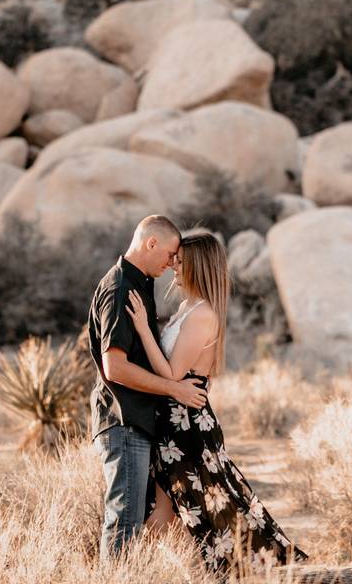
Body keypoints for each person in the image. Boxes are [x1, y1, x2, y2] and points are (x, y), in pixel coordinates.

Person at [125, 231, 308, 572]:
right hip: (171, 418)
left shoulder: (203, 314)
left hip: (186, 424)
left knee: (210, 501)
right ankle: (172, 573)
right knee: (172, 508)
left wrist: (142, 328)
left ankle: (260, 568)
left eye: (179, 262)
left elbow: (173, 371)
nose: (172, 267)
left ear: (197, 266)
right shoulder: (186, 307)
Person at [88, 215, 210, 562]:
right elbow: (115, 367)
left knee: (138, 518)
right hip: (124, 419)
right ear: (150, 243)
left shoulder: (139, 283)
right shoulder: (121, 288)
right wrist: (174, 390)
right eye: (170, 254)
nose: (173, 263)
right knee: (123, 520)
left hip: (139, 421)